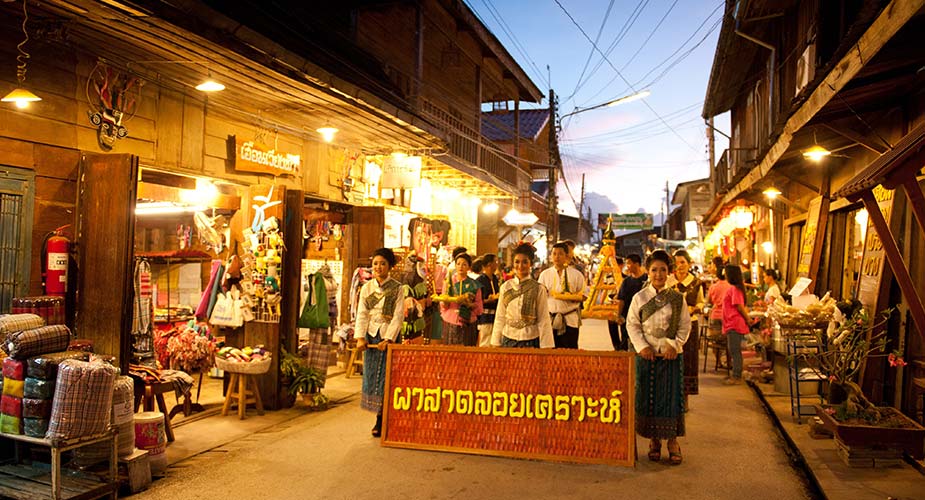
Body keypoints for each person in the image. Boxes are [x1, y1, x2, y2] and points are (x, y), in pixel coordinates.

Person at [626, 250, 691, 465]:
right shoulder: (640, 297)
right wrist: (642, 347)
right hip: (647, 356)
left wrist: (674, 345)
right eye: (654, 270)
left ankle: (673, 442)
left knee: (671, 400)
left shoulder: (677, 298)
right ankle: (654, 441)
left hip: (670, 357)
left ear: (669, 271)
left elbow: (684, 326)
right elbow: (632, 325)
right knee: (649, 399)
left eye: (663, 269)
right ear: (648, 271)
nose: (659, 274)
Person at [354, 247, 406, 437]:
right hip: (371, 338)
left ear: (389, 266)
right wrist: (360, 337)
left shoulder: (398, 288)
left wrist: (388, 338)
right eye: (375, 263)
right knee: (372, 378)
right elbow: (362, 313)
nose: (378, 267)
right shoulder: (366, 288)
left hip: (388, 338)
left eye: (382, 263)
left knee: (387, 379)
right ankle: (379, 415)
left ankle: (383, 419)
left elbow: (398, 316)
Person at [491, 243, 554, 348]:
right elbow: (500, 316)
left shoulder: (538, 289)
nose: (520, 266)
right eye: (517, 262)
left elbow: (544, 319)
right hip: (508, 338)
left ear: (531, 264)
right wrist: (495, 342)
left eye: (525, 262)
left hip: (531, 339)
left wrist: (546, 346)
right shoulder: (506, 287)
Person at [666, 249, 705, 400]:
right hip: (671, 325)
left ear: (689, 264)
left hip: (690, 324)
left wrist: (695, 308)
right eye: (676, 263)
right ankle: (671, 396)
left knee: (688, 360)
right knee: (670, 358)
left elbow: (701, 302)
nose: (680, 266)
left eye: (683, 262)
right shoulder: (668, 282)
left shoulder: (695, 283)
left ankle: (686, 398)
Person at [539, 241, 586, 349]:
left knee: (570, 352)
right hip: (550, 319)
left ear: (566, 256)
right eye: (554, 254)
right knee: (551, 352)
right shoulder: (545, 274)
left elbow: (584, 295)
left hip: (570, 320)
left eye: (560, 254)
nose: (557, 257)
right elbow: (539, 296)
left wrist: (573, 297)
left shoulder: (577, 275)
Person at [439, 253, 483, 346]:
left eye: (464, 264)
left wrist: (469, 304)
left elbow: (479, 306)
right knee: (450, 353)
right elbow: (443, 305)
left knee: (467, 353)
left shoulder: (474, 284)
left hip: (468, 322)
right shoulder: (449, 282)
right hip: (451, 321)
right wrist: (447, 300)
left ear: (469, 267)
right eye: (458, 264)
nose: (460, 267)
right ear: (455, 265)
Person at [722, 264, 751, 385]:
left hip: (734, 323)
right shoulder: (735, 288)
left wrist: (748, 319)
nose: (725, 276)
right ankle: (735, 374)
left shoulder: (735, 289)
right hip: (731, 323)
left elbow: (739, 306)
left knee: (735, 351)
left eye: (726, 274)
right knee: (733, 350)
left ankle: (737, 376)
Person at [612, 253, 646, 351]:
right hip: (628, 317)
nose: (627, 267)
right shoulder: (626, 282)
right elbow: (621, 300)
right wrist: (618, 315)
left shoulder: (647, 280)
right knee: (626, 341)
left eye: (629, 264)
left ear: (636, 264)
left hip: (644, 318)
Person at [476, 254, 500, 347]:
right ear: (490, 264)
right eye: (496, 262)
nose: (497, 264)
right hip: (485, 316)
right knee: (485, 341)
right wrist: (487, 300)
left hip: (495, 315)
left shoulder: (494, 278)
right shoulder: (480, 280)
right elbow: (477, 301)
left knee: (494, 342)